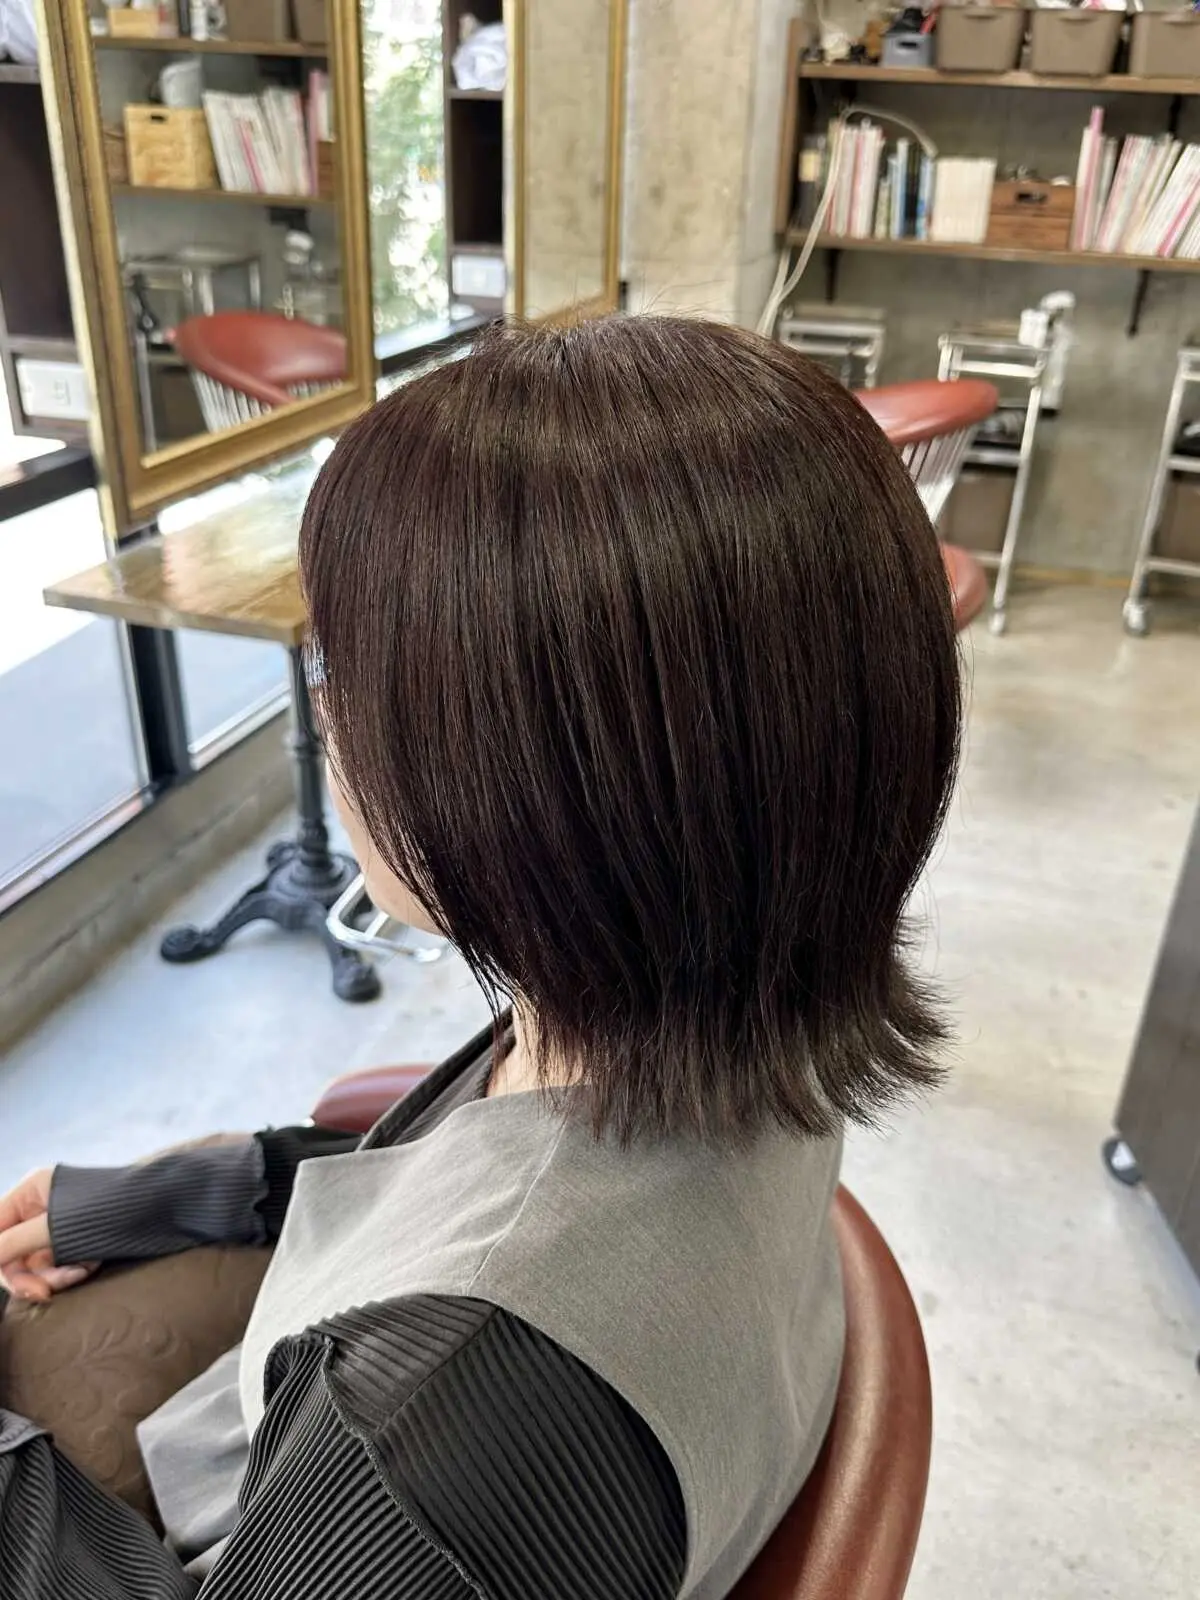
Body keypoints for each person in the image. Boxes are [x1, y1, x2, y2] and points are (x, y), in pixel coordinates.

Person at [0, 316, 961, 1598]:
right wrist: (176, 1192)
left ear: (533, 787)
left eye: (343, 670)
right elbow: (445, 1175)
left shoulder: (441, 1439)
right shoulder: (706, 998)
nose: (326, 711)